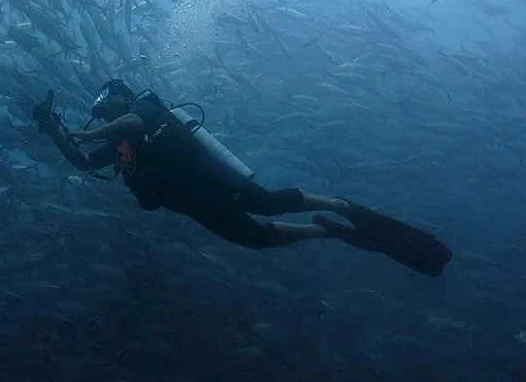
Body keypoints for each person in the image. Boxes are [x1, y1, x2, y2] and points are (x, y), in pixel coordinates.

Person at [33, 79, 451, 276]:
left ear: (121, 95)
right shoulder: (120, 145)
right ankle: (325, 231)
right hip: (197, 208)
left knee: (266, 202)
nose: (102, 108)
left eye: (106, 101)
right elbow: (84, 163)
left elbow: (128, 122)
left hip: (215, 181)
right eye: (99, 107)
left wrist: (88, 131)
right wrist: (54, 128)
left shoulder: (146, 106)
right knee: (256, 240)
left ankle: (336, 205)